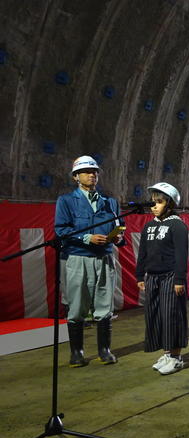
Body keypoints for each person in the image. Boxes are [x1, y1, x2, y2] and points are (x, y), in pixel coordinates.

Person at [54, 155, 124, 367]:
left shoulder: (110, 203)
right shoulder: (66, 201)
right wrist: (87, 237)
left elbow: (120, 228)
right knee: (76, 306)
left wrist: (119, 237)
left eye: (95, 172)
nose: (92, 175)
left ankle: (104, 350)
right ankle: (77, 353)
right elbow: (61, 230)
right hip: (78, 258)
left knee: (104, 305)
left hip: (104, 258)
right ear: (76, 177)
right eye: (86, 172)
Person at [135, 182, 189, 375]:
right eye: (153, 202)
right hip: (152, 278)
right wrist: (140, 275)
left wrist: (179, 280)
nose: (154, 206)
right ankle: (167, 354)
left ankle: (176, 358)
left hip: (171, 277)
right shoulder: (148, 226)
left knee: (171, 316)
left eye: (159, 202)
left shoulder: (177, 225)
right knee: (156, 316)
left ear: (170, 204)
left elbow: (182, 255)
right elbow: (143, 252)